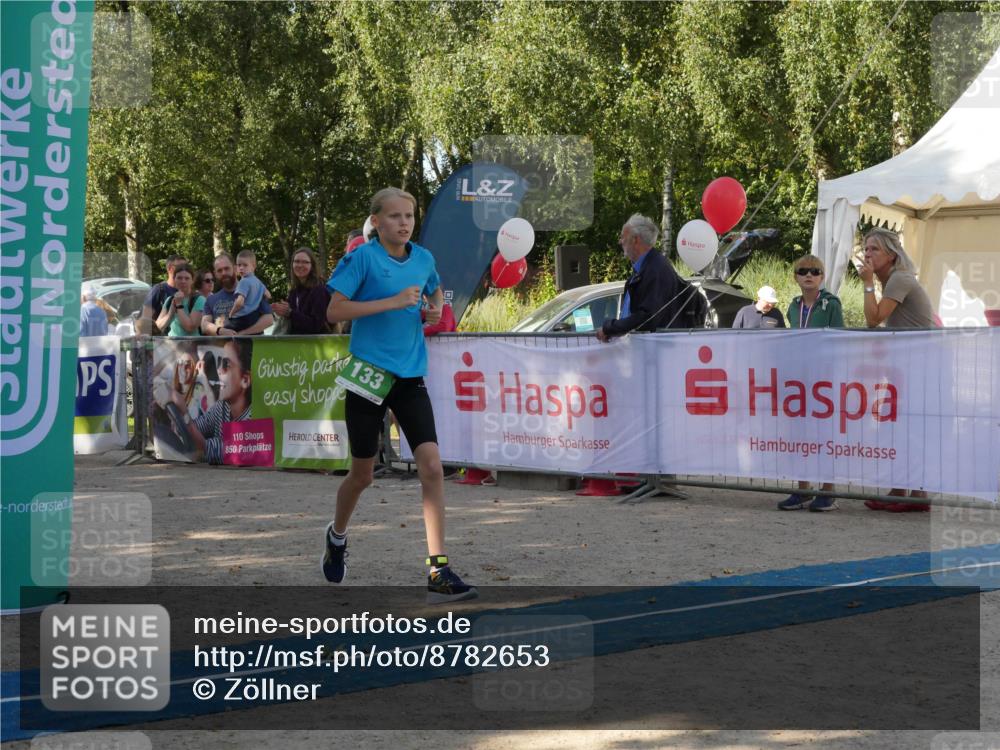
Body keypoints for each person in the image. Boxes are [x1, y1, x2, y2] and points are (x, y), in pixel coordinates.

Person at [322, 187, 477, 604]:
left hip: (410, 375)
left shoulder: (424, 259)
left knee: (431, 465)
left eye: (408, 215)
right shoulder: (362, 258)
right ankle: (337, 536)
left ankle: (438, 568)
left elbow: (434, 296)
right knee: (363, 475)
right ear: (377, 221)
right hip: (369, 374)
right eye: (394, 216)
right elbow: (334, 311)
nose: (404, 222)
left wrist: (432, 309)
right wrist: (390, 302)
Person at [859, 227, 934, 512]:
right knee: (903, 428)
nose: (867, 254)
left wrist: (867, 284)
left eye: (874, 249)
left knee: (910, 428)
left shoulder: (900, 278)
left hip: (918, 365)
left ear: (891, 255)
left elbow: (873, 319)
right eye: (866, 249)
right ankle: (906, 491)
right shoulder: (894, 279)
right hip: (908, 365)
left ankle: (913, 493)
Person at [777, 255, 845, 512]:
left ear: (822, 277)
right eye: (803, 271)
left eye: (815, 271)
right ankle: (802, 488)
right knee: (799, 435)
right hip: (799, 380)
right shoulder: (793, 306)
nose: (809, 275)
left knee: (824, 435)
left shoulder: (831, 304)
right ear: (795, 276)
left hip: (823, 381)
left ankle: (828, 490)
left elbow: (839, 340)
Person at [596, 214, 683, 342]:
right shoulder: (645, 268)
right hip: (643, 350)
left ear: (635, 240)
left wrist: (610, 327)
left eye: (623, 237)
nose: (620, 241)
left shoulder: (656, 269)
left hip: (654, 353)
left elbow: (646, 317)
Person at [170, 337, 252, 464]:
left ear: (245, 380)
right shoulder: (222, 406)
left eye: (226, 365)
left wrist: (184, 413)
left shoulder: (252, 419)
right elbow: (198, 427)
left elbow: (205, 449)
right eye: (219, 362)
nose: (219, 370)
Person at [201, 253, 275, 336]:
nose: (224, 273)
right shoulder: (211, 299)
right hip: (222, 347)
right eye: (219, 270)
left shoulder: (254, 289)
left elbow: (269, 319)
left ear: (235, 268)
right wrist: (220, 331)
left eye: (227, 268)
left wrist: (242, 334)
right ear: (215, 274)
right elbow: (204, 325)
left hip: (254, 347)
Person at [270, 247, 332, 334]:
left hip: (316, 345)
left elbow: (316, 325)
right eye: (297, 261)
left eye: (305, 262)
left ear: (312, 266)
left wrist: (290, 313)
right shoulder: (294, 291)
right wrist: (280, 310)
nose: (300, 265)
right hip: (298, 345)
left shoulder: (319, 290)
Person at [138, 254, 187, 335]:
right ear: (170, 269)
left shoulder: (188, 292)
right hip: (161, 341)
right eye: (181, 267)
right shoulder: (159, 290)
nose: (185, 270)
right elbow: (144, 320)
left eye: (187, 266)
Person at [224, 250, 269, 333]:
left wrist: (231, 314)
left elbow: (239, 303)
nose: (241, 268)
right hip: (255, 318)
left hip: (242, 318)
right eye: (239, 265)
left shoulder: (243, 281)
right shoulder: (258, 282)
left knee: (224, 328)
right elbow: (268, 295)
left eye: (245, 265)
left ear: (253, 266)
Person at [156, 264, 205, 338]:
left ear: (192, 281)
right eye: (179, 278)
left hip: (192, 346)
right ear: (174, 279)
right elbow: (157, 327)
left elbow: (190, 327)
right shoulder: (169, 300)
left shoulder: (199, 299)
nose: (183, 281)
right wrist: (170, 313)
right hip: (171, 345)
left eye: (187, 278)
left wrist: (179, 305)